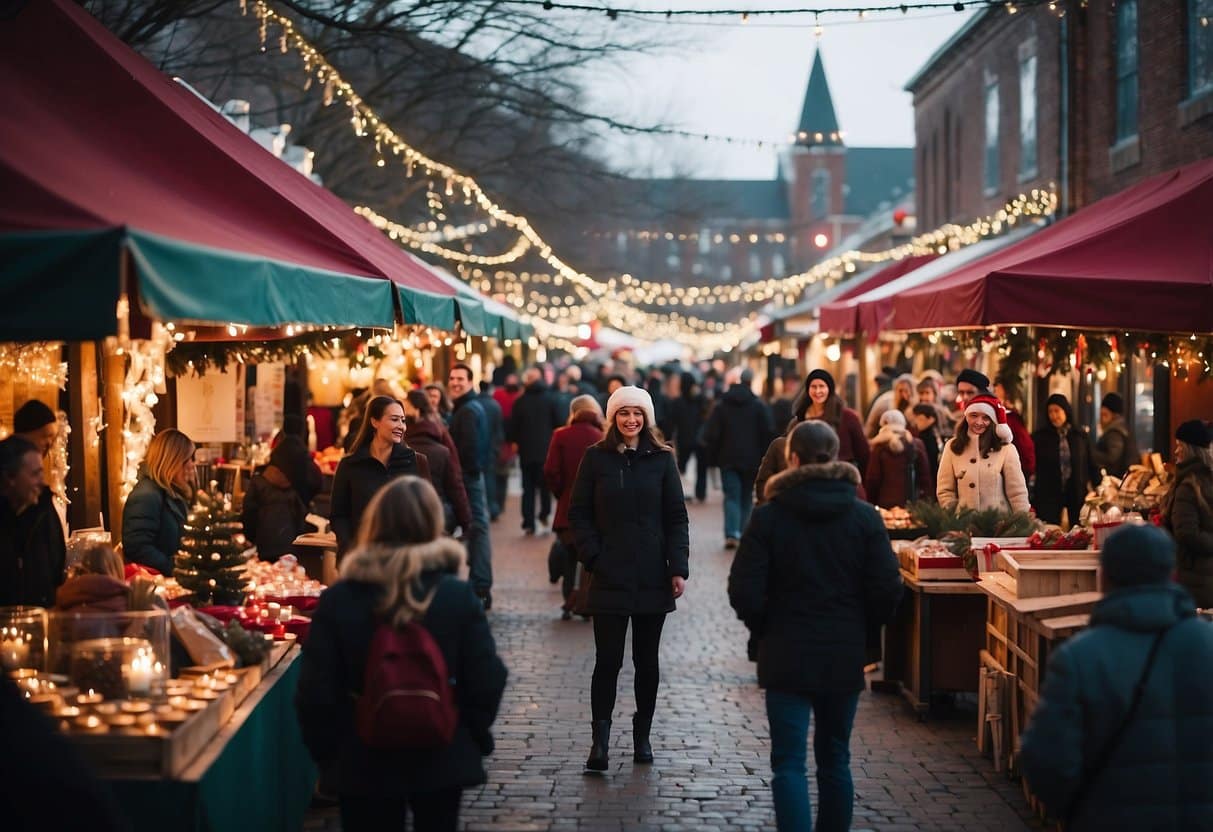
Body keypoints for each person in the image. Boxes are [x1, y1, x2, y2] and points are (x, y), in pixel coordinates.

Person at [296, 476, 508, 832]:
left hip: (362, 757)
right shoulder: (456, 596)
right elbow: (487, 677)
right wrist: (470, 734)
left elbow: (315, 691)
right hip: (441, 752)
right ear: (432, 525)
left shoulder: (341, 598)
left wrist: (330, 753)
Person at [728, 421, 903, 832]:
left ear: (792, 458)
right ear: (836, 454)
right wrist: (862, 629)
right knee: (835, 759)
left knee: (788, 763)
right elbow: (887, 588)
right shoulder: (863, 518)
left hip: (785, 652)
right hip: (843, 652)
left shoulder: (769, 517)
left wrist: (766, 626)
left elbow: (743, 589)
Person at [1020, 524, 1213, 830]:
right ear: (1172, 575)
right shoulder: (1207, 643)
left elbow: (1045, 760)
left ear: (1104, 578)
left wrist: (1078, 810)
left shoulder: (1080, 658)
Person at [568, 386, 689, 771]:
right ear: (612, 418)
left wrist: (678, 566)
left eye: (637, 414)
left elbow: (676, 517)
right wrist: (594, 556)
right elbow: (579, 514)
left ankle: (642, 736)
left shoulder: (662, 460)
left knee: (646, 662)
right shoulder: (596, 458)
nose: (631, 420)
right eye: (624, 414)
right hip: (608, 575)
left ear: (647, 418)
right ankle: (600, 741)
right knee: (607, 661)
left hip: (652, 574)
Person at [329, 397, 430, 556]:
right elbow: (338, 515)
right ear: (374, 422)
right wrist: (349, 547)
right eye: (394, 419)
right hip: (360, 560)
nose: (401, 426)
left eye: (403, 420)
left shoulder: (416, 462)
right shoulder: (350, 465)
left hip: (402, 561)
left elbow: (425, 512)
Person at [755, 369, 869, 505]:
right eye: (813, 387)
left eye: (822, 386)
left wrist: (859, 483)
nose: (817, 391)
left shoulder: (848, 417)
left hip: (842, 484)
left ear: (830, 389)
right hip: (806, 487)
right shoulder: (798, 421)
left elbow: (864, 455)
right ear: (807, 389)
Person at [543, 395, 605, 619]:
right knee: (589, 558)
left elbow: (551, 471)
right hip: (596, 511)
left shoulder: (560, 435)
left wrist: (561, 492)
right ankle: (586, 602)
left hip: (567, 508)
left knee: (570, 557)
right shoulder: (602, 438)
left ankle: (568, 599)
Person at [701, 369, 776, 548]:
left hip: (727, 458)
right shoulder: (758, 405)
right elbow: (768, 432)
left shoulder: (721, 405)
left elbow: (711, 434)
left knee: (731, 496)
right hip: (752, 459)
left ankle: (731, 533)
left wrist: (714, 454)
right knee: (745, 497)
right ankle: (742, 532)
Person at [447, 364, 494, 609]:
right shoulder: (469, 407)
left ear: (470, 381)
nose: (455, 382)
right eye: (452, 378)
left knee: (477, 527)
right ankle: (480, 584)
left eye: (460, 379)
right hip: (473, 475)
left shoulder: (466, 411)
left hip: (469, 477)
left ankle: (480, 586)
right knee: (477, 527)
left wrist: (463, 476)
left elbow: (468, 449)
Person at [0, 436, 65, 607]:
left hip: (40, 623)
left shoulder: (46, 513)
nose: (41, 482)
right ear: (10, 478)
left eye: (41, 472)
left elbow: (57, 571)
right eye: (35, 474)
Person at [937, 394, 1030, 513]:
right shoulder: (952, 446)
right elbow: (945, 490)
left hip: (998, 526)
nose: (979, 422)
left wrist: (1021, 520)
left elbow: (1017, 491)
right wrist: (954, 515)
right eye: (974, 416)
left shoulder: (1006, 449)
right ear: (966, 416)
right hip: (963, 525)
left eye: (986, 418)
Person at [122, 429, 196, 576]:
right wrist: (175, 568)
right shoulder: (146, 496)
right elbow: (138, 548)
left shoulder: (169, 492)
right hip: (155, 584)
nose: (192, 465)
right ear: (172, 461)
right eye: (188, 459)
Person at [401, 391, 471, 536]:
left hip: (404, 514)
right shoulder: (441, 438)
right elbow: (455, 484)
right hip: (437, 512)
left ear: (416, 410)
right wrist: (465, 520)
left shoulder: (396, 447)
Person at [1161, 419, 1213, 607]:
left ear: (1190, 449)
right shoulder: (1205, 480)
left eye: (1179, 446)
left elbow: (1186, 533)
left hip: (1193, 578)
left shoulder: (1188, 486)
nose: (1176, 452)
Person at [508, 367, 564, 535]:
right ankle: (545, 515)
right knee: (545, 487)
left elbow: (513, 427)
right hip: (546, 451)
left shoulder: (520, 401)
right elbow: (559, 423)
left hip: (526, 452)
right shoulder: (551, 399)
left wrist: (515, 442)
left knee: (528, 488)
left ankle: (528, 522)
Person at [1031, 394, 1097, 527]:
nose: (1054, 416)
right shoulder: (1039, 437)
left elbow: (1090, 463)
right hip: (1048, 493)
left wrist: (1098, 485)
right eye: (1050, 411)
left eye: (1057, 411)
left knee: (1078, 531)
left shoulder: (1080, 436)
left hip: (1076, 491)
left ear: (1066, 410)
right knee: (1049, 532)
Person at [241, 438, 311, 560]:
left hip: (263, 546)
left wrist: (250, 538)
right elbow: (300, 518)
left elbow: (249, 515)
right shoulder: (294, 487)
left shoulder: (258, 483)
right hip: (290, 547)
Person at [864, 410, 933, 509]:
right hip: (913, 502)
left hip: (885, 504)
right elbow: (925, 478)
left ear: (884, 424)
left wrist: (871, 502)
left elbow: (873, 479)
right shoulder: (917, 444)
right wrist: (926, 503)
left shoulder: (879, 447)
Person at [669, 372, 709, 503]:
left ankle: (682, 492)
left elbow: (671, 423)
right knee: (701, 468)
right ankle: (700, 493)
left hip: (684, 439)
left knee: (682, 466)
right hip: (701, 440)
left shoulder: (677, 402)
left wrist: (669, 439)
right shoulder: (701, 400)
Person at [992, 374, 1036, 479]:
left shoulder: (1011, 418)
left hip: (1011, 473)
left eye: (996, 390)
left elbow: (1025, 448)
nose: (994, 393)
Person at [476, 381, 506, 522]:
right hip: (490, 448)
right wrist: (496, 448)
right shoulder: (495, 405)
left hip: (476, 447)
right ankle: (493, 508)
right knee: (490, 478)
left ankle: (482, 508)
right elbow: (499, 429)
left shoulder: (474, 404)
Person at [1091, 392, 1139, 478]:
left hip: (1118, 479)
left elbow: (1112, 458)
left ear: (1114, 414)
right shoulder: (1122, 427)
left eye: (1104, 415)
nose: (1101, 419)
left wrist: (1090, 453)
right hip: (1124, 477)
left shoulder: (1115, 432)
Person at [864, 373, 917, 439]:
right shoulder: (884, 404)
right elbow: (871, 428)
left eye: (906, 391)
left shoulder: (916, 405)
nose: (903, 395)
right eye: (900, 391)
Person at [911, 403, 945, 483]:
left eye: (920, 419)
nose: (917, 422)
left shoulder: (929, 436)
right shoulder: (931, 433)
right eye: (915, 418)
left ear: (931, 419)